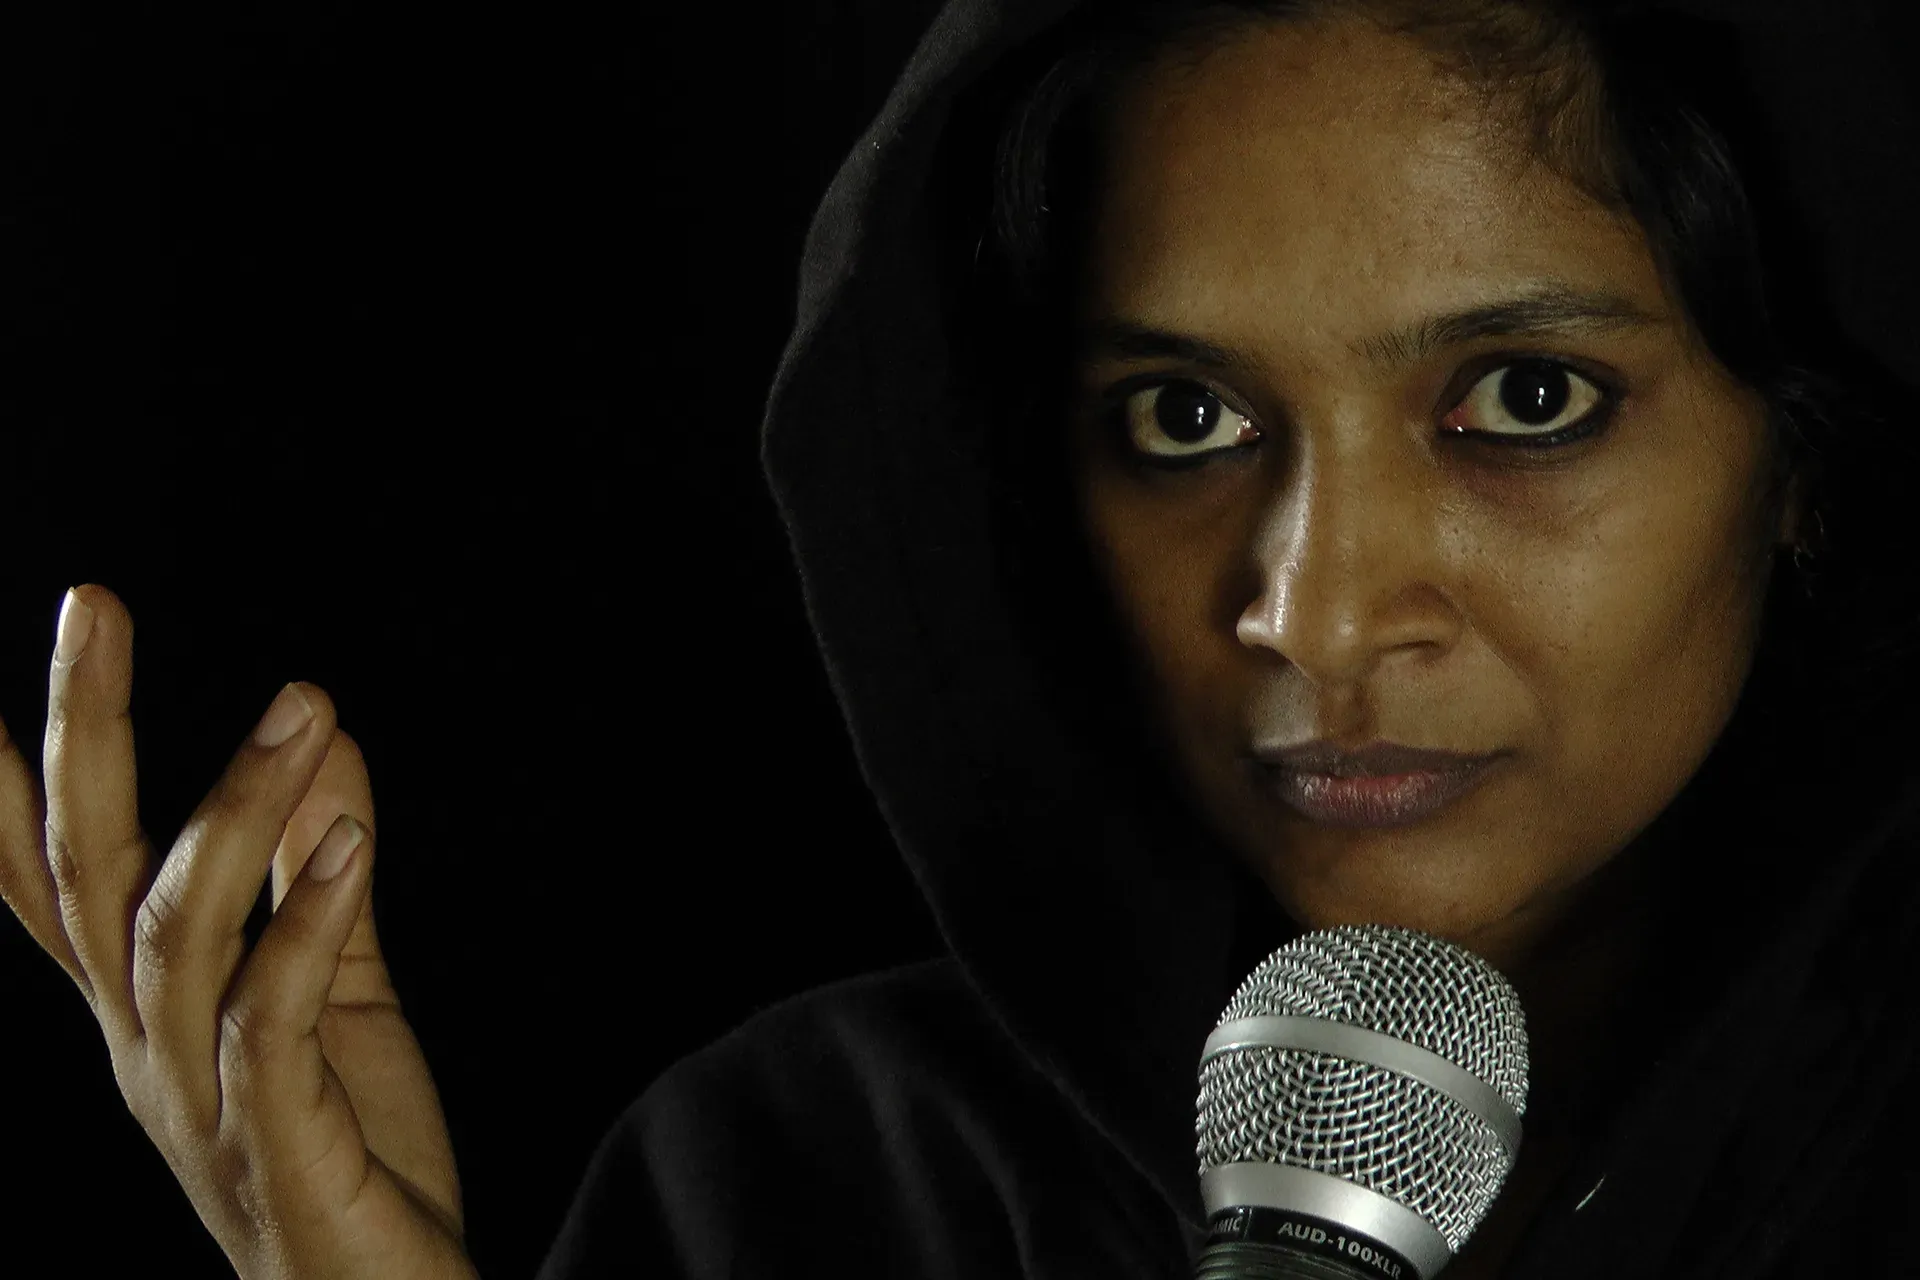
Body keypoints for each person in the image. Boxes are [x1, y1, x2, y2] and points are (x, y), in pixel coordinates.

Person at [3, 0, 1918, 1276]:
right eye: (1185, 420)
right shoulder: (797, 1194)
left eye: (1521, 401)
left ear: (1807, 457)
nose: (1314, 614)